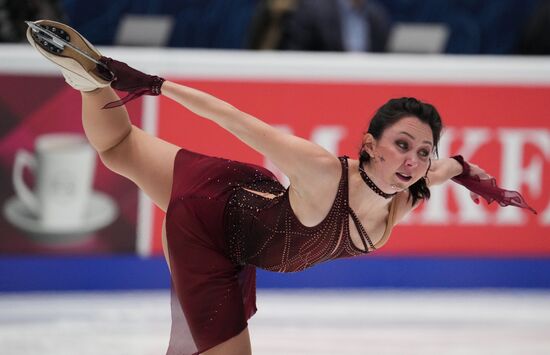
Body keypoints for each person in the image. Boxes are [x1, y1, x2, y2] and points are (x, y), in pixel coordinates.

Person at [26, 20, 536, 355]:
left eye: (422, 151)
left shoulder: (401, 200)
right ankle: (102, 80)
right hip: (211, 228)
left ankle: (89, 84)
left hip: (244, 197)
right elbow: (235, 119)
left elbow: (453, 166)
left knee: (120, 151)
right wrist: (150, 83)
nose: (413, 160)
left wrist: (482, 182)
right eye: (402, 145)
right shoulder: (321, 170)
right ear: (368, 144)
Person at [283, 0, 391, 52]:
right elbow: (295, 54)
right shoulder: (313, 11)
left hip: (367, 85)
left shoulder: (378, 17)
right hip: (323, 84)